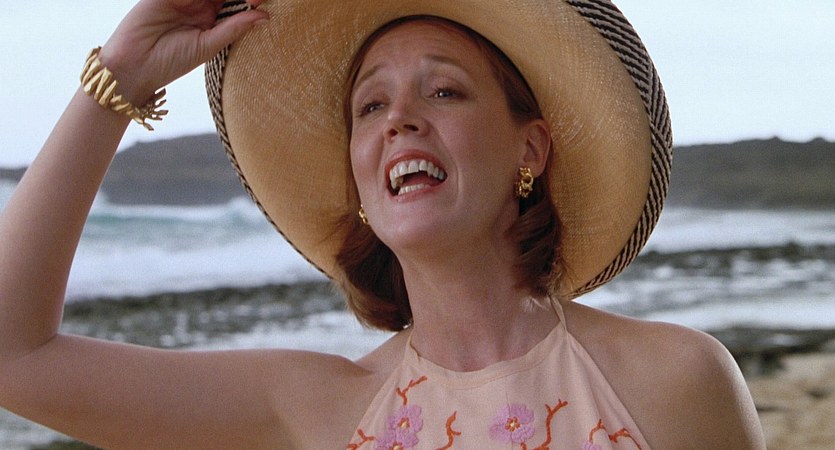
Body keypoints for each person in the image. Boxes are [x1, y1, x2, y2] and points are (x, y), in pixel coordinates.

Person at [0, 0, 766, 448]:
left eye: (444, 92)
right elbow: (14, 356)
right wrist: (121, 77)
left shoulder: (673, 379)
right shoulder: (321, 410)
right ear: (363, 182)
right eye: (370, 105)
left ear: (529, 150)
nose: (399, 119)